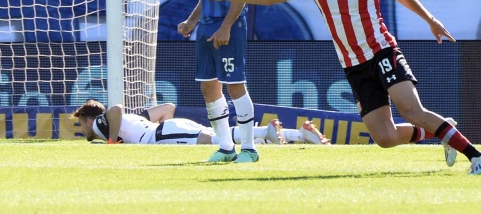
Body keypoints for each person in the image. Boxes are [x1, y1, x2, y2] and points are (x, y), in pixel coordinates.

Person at [195, 0, 481, 175]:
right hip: (354, 67)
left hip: (382, 52)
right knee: (386, 138)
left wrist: (431, 21)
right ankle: (443, 131)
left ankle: (477, 156)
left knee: (411, 111)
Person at [176, 0, 257, 163]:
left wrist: (226, 27)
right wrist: (192, 20)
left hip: (227, 27)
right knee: (209, 87)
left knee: (235, 86)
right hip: (207, 27)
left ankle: (249, 149)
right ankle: (225, 148)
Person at [72, 100, 331, 147]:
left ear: (89, 118)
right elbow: (167, 108)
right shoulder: (135, 118)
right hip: (170, 129)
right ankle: (299, 134)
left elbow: (115, 109)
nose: (81, 130)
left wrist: (110, 139)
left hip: (163, 136)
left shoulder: (100, 124)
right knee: (222, 137)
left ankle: (266, 131)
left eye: (80, 124)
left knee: (221, 140)